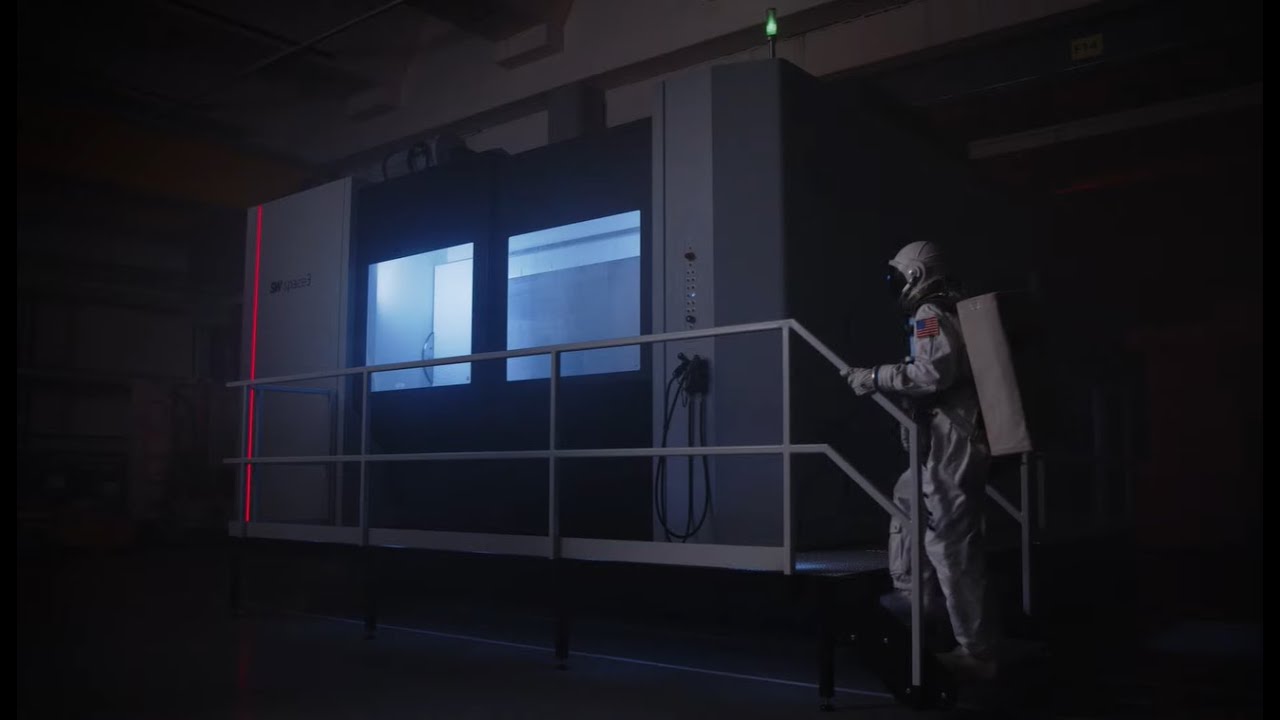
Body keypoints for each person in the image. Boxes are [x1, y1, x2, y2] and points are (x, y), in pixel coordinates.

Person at [841, 240, 995, 679]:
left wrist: (874, 377)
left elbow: (932, 374)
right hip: (951, 436)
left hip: (954, 439)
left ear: (915, 276)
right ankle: (917, 601)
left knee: (950, 542)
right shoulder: (952, 308)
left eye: (898, 277)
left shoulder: (931, 314)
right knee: (907, 498)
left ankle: (978, 651)